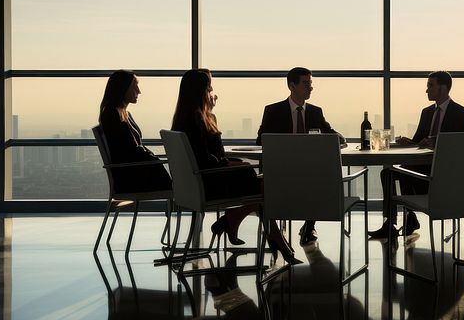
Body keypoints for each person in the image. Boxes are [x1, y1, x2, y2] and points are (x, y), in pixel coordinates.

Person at [172, 69, 300, 263]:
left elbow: (207, 157)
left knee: (263, 184)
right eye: (209, 88)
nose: (213, 92)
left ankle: (242, 223)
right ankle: (262, 232)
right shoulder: (197, 120)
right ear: (201, 92)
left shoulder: (185, 118)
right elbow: (210, 159)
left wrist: (232, 162)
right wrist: (234, 164)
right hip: (211, 185)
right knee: (267, 186)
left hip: (202, 182)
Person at [369, 71, 464, 240]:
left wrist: (435, 142)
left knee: (403, 173)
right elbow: (418, 141)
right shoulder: (427, 112)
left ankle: (410, 218)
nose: (427, 90)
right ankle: (391, 224)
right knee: (387, 173)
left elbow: (460, 145)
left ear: (443, 88)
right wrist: (409, 142)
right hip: (421, 168)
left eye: (431, 85)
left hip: (442, 174)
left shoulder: (460, 112)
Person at [256, 67, 344, 245]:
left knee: (320, 175)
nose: (310, 87)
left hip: (308, 169)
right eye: (306, 83)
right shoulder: (274, 111)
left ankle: (309, 225)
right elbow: (261, 140)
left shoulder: (315, 111)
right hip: (282, 170)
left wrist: (338, 137)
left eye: (311, 84)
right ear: (292, 86)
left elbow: (331, 133)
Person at [98, 70, 172, 194]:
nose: (139, 91)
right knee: (180, 184)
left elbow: (135, 149)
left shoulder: (122, 114)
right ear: (123, 88)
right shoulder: (113, 115)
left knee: (179, 184)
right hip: (132, 179)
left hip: (132, 173)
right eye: (135, 86)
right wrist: (157, 162)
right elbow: (132, 150)